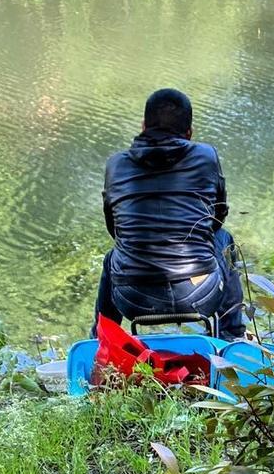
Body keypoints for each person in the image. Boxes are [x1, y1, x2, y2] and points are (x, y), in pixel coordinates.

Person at [95, 88, 246, 340]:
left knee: (114, 256)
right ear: (189, 134)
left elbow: (115, 230)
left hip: (131, 297)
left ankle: (101, 342)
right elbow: (217, 218)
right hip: (200, 294)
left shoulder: (116, 164)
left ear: (143, 125)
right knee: (224, 239)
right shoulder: (206, 156)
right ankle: (232, 338)